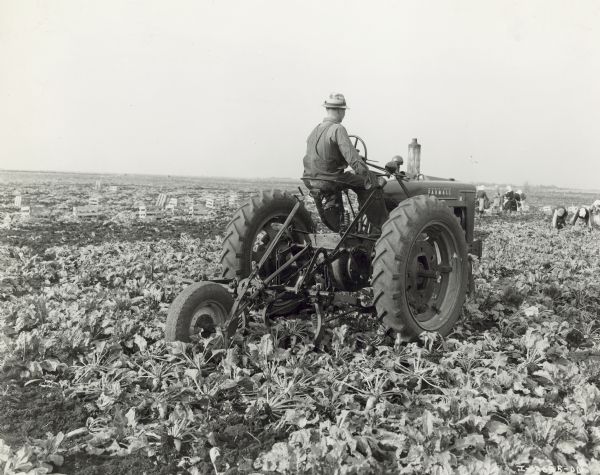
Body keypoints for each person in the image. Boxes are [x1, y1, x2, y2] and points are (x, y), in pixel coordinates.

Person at [302, 93, 389, 231]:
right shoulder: (338, 129)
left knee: (344, 181)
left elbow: (323, 156)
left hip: (309, 179)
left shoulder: (315, 129)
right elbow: (354, 160)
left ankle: (340, 224)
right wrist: (367, 174)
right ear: (339, 110)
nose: (344, 114)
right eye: (344, 111)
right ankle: (384, 227)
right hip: (330, 179)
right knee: (370, 184)